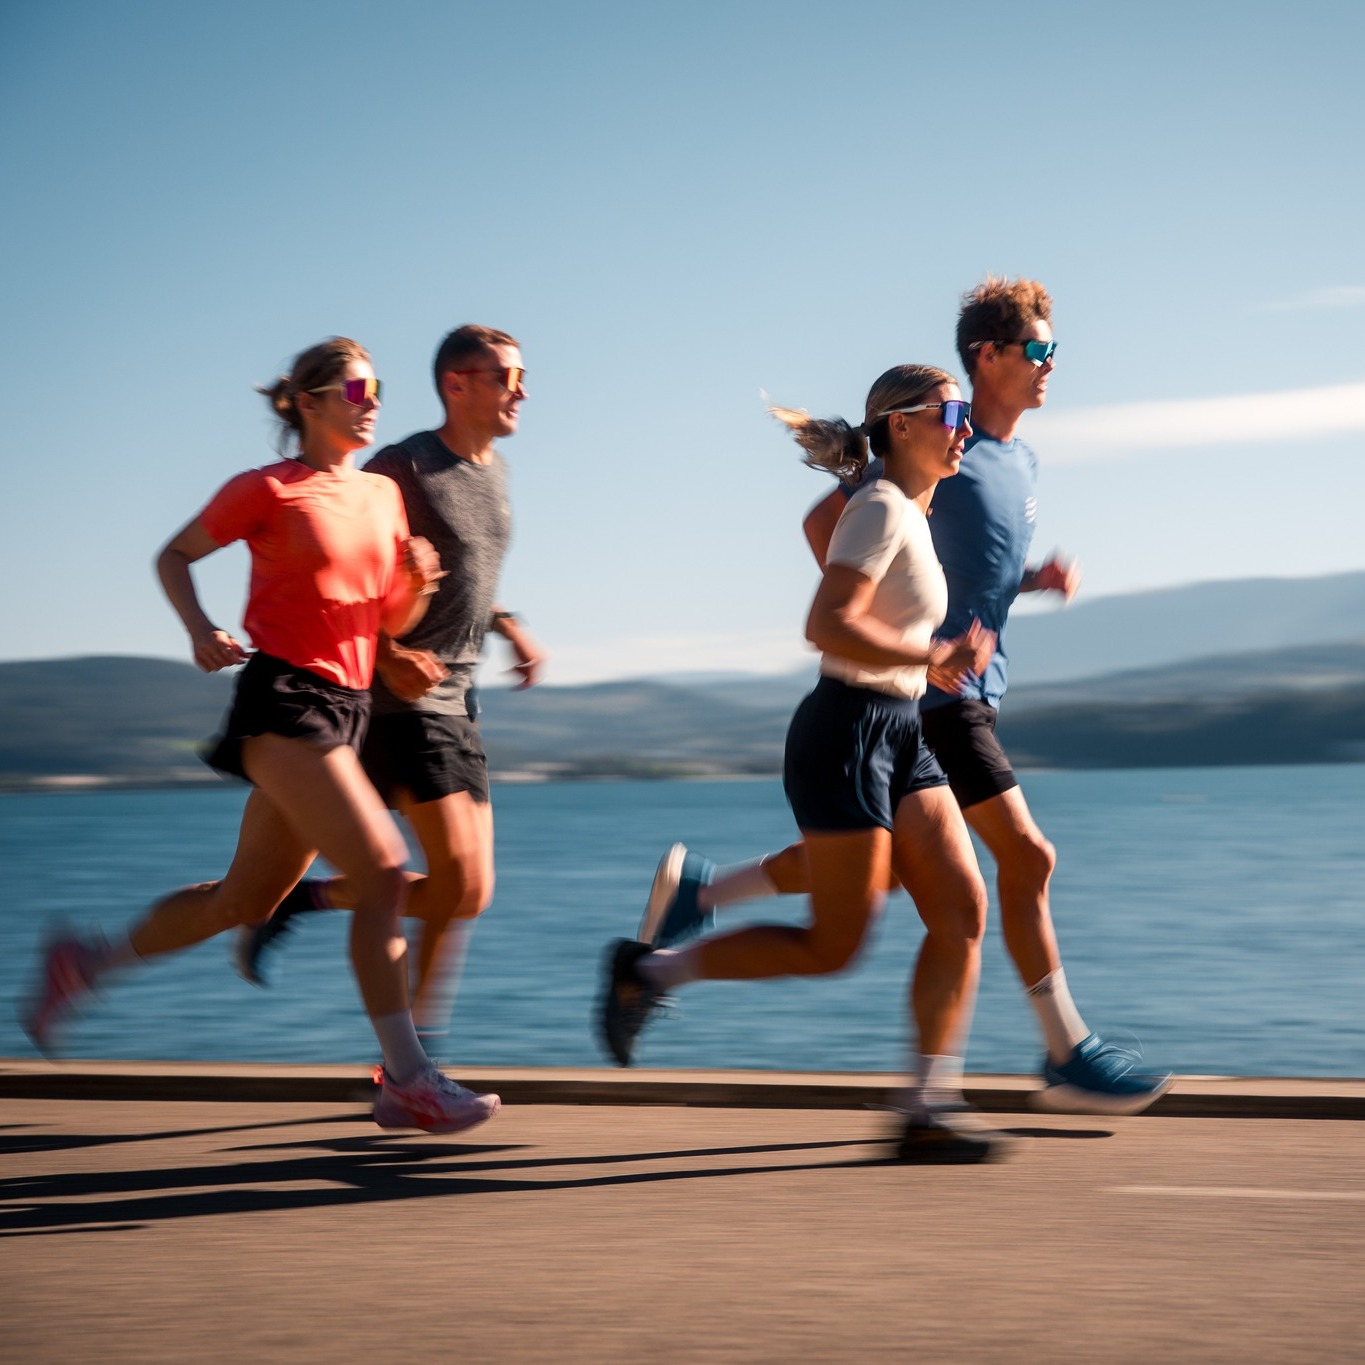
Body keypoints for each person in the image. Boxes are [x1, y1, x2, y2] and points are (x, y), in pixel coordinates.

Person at [635, 278, 1170, 1115]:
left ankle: (701, 896)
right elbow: (829, 533)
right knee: (1021, 859)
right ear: (984, 356)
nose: (1050, 364)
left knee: (878, 882)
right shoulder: (919, 464)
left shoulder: (1008, 459)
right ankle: (1060, 1050)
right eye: (1036, 349)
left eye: (1054, 349)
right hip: (923, 703)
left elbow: (960, 570)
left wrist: (1025, 582)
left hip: (958, 689)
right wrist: (901, 641)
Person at [20, 337, 500, 1134]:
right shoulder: (268, 490)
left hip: (345, 705)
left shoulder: (381, 495)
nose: (370, 398)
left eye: (375, 386)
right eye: (354, 387)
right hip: (282, 696)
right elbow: (175, 555)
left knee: (246, 898)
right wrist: (200, 627)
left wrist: (413, 588)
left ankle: (86, 961)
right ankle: (407, 1077)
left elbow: (384, 616)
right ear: (308, 402)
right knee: (383, 871)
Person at [599, 364, 1014, 1164]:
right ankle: (649, 972)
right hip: (847, 731)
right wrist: (929, 656)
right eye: (950, 411)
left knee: (960, 907)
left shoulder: (907, 511)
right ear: (900, 424)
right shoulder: (880, 508)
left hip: (899, 733)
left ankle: (926, 1107)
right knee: (834, 944)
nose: (963, 426)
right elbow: (826, 622)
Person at [234, 324, 543, 1054]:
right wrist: (388, 650)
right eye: (505, 376)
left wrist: (508, 623)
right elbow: (351, 578)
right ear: (456, 384)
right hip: (398, 698)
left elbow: (463, 578)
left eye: (522, 375)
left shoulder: (492, 472)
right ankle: (414, 1056)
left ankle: (316, 913)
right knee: (455, 883)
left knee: (468, 893)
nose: (520, 390)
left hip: (458, 695)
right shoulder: (401, 467)